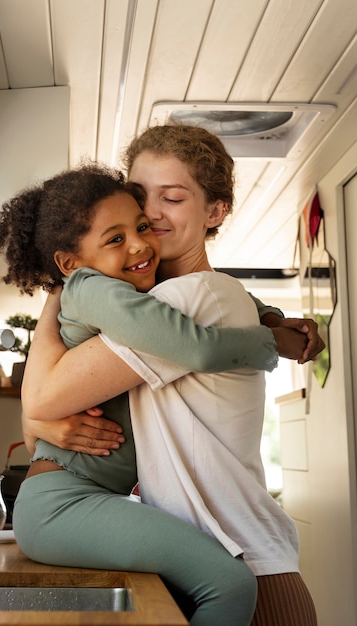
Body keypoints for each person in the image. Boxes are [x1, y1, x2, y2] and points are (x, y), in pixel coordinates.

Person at [19, 125, 322, 625]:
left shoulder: (179, 303)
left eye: (174, 197)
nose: (152, 215)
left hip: (251, 571)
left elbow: (43, 397)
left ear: (215, 211)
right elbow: (40, 414)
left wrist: (66, 289)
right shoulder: (154, 299)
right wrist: (67, 286)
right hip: (236, 558)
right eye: (141, 198)